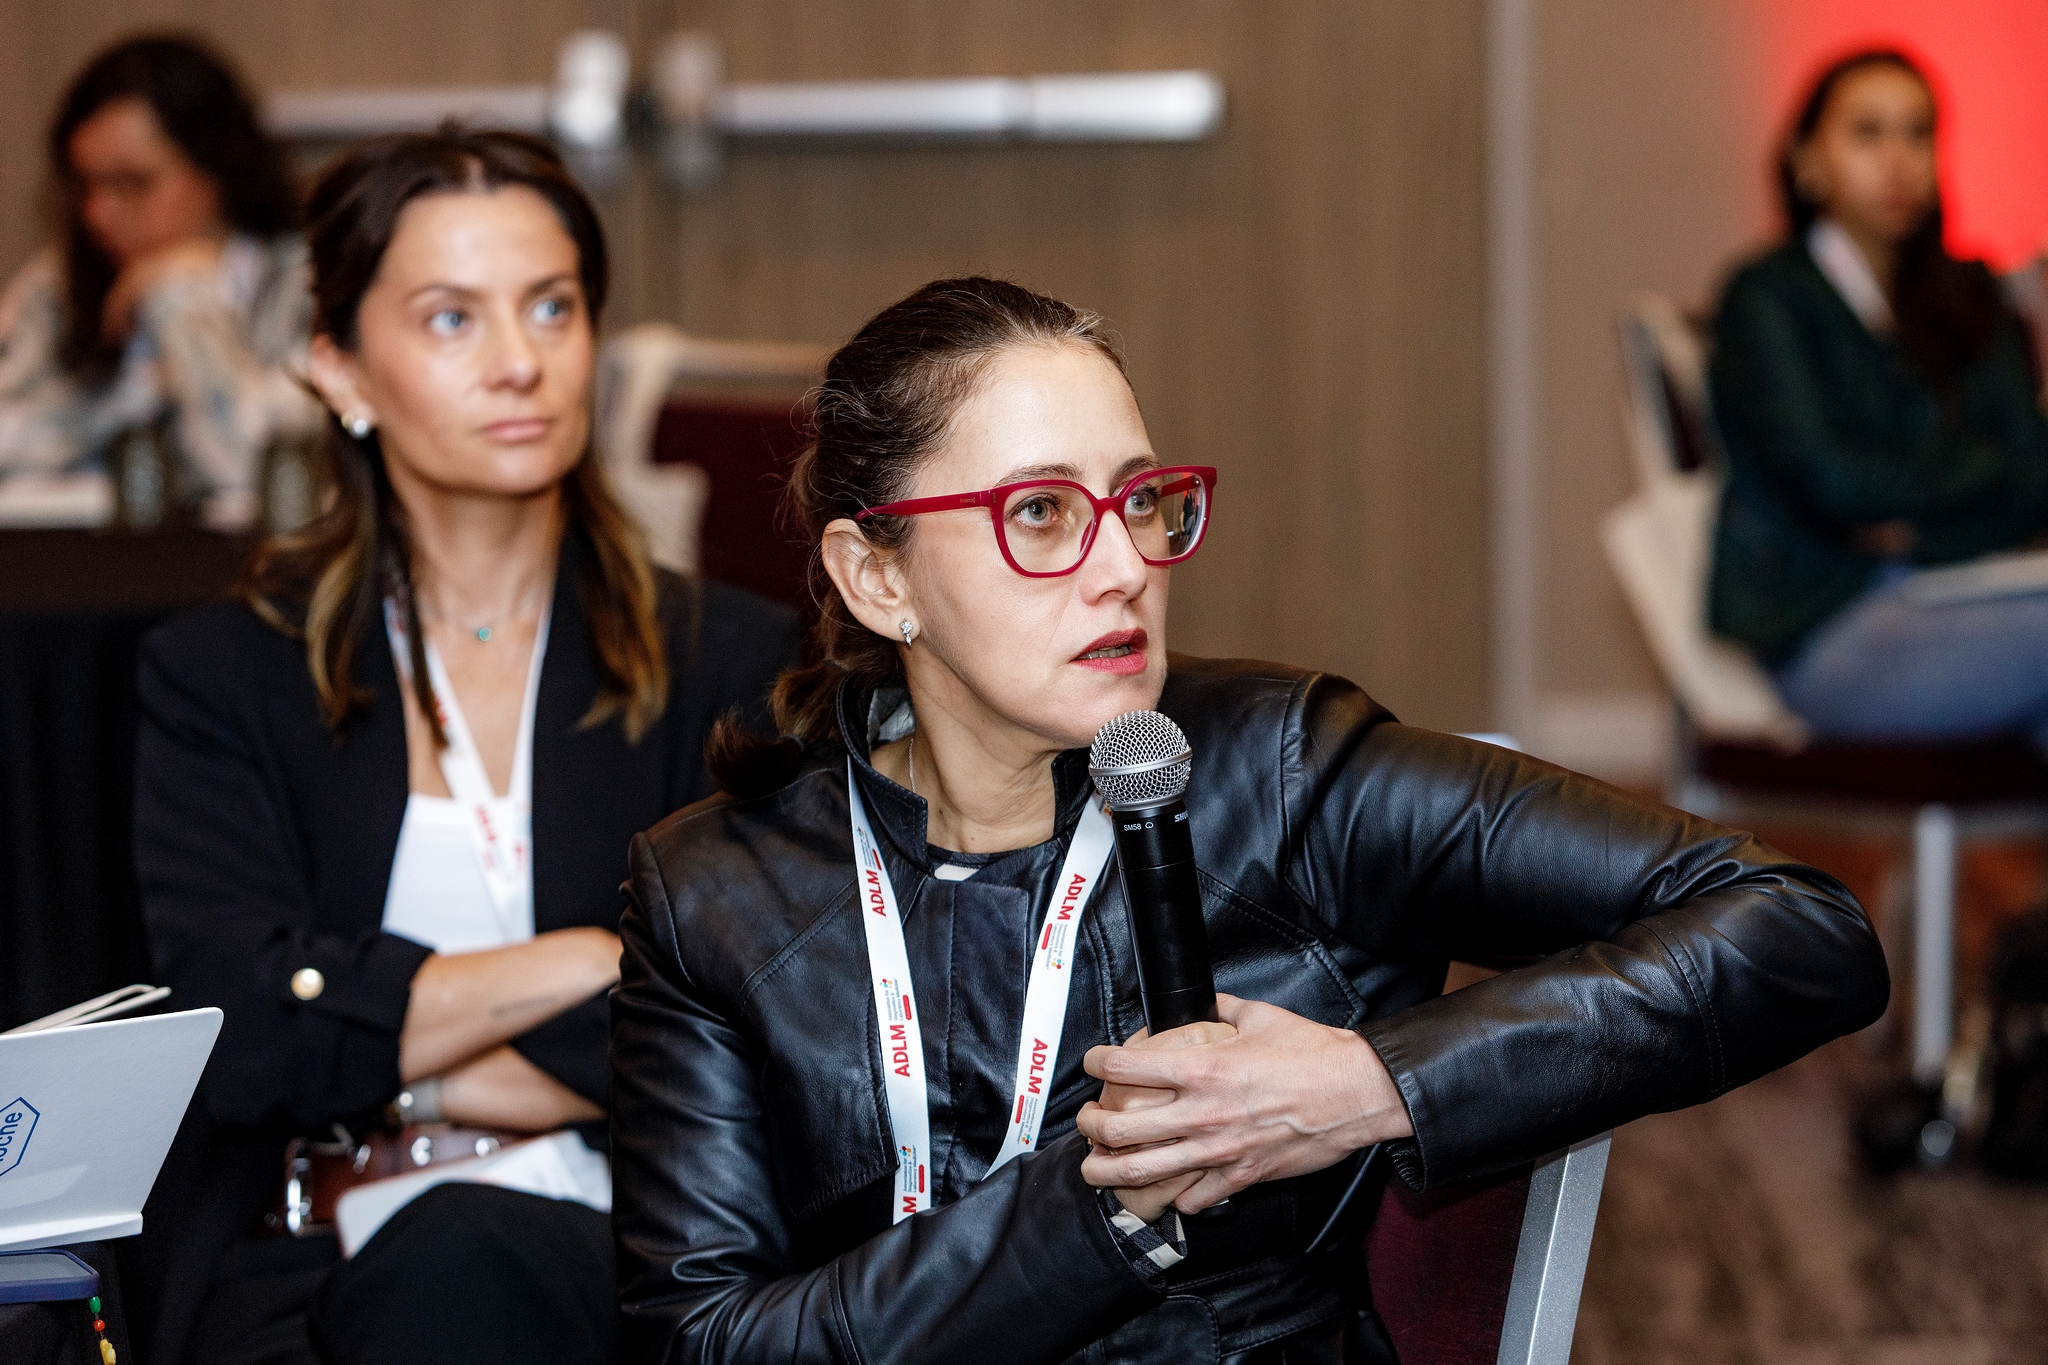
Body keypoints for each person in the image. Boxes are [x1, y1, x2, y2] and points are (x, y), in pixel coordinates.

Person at [609, 276, 1890, 1363]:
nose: (1125, 565)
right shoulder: (716, 890)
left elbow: (1798, 926)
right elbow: (700, 1338)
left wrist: (1367, 1081)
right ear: (876, 575)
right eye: (1040, 514)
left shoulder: (1281, 771)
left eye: (1139, 499)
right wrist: (1101, 1203)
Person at [128, 128, 799, 1365]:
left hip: (633, 1255)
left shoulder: (730, 659)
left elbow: (766, 1034)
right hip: (298, 1263)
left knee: (458, 1258)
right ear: (339, 369)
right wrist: (595, 959)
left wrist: (376, 1057)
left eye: (552, 308)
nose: (519, 363)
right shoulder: (226, 674)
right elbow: (231, 1036)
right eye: (451, 320)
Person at [1708, 50, 2048, 748]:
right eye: (1868, 133)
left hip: (1973, 590)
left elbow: (2035, 475)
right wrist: (1979, 468)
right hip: (1828, 623)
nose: (1897, 159)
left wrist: (1918, 529)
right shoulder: (1767, 298)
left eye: (1917, 133)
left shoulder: (1970, 295)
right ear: (1808, 158)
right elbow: (1830, 481)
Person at [0, 34, 320, 526]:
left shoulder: (305, 283)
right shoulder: (55, 288)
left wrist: (182, 297)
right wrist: (120, 405)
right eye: (86, 185)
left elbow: (250, 466)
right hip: (63, 579)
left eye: (133, 183)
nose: (99, 213)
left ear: (216, 171)